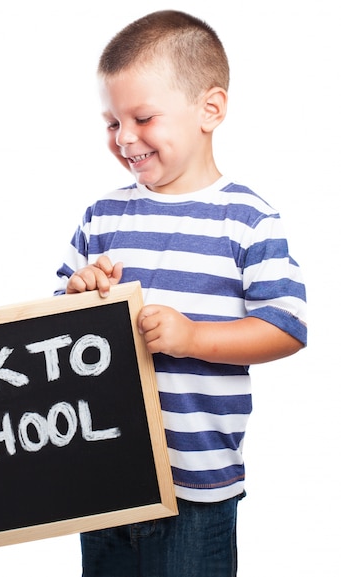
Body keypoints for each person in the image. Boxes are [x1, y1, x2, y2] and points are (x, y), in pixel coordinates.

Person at [55, 10, 307, 577]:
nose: (124, 138)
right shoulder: (102, 216)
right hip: (106, 474)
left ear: (210, 110)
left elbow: (286, 327)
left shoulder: (249, 220)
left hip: (200, 482)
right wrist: (80, 295)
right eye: (111, 122)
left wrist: (192, 337)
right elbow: (56, 327)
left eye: (142, 118)